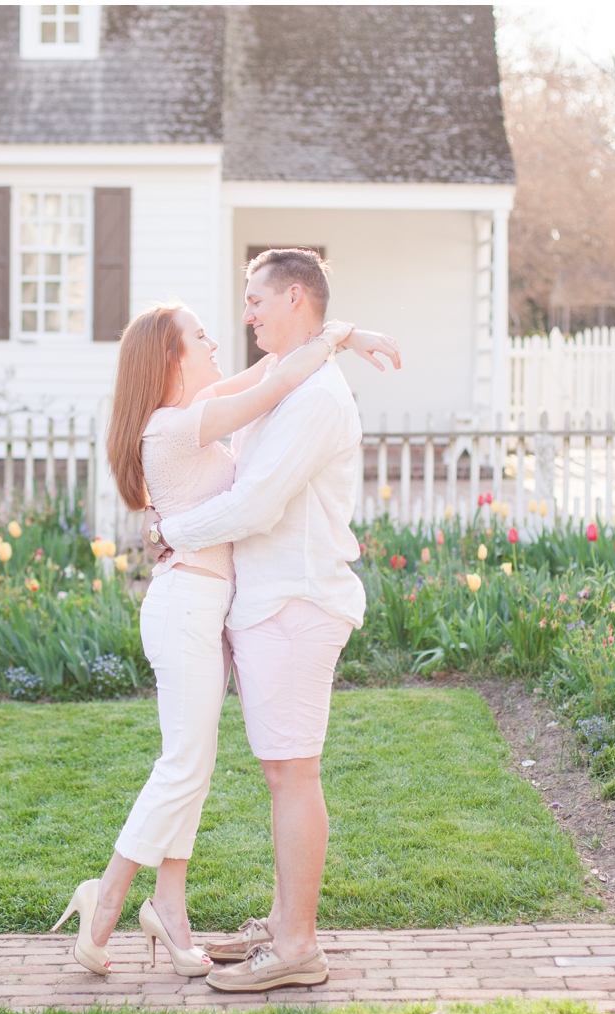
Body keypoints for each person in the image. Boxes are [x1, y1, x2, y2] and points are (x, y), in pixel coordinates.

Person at [50, 294, 398, 978]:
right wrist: (339, 340)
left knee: (195, 767)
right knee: (182, 765)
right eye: (200, 337)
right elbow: (273, 382)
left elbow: (263, 373)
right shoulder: (179, 425)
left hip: (204, 604)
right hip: (186, 603)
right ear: (171, 359)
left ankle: (168, 908)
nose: (216, 342)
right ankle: (106, 903)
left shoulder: (192, 412)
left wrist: (343, 333)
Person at [143, 248, 381, 992]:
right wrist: (344, 332)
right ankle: (282, 928)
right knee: (283, 771)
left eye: (256, 300)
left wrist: (169, 533)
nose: (245, 314)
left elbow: (255, 505)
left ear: (295, 297)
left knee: (293, 773)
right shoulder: (293, 383)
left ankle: (299, 947)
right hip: (271, 602)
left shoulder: (315, 399)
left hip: (296, 602)